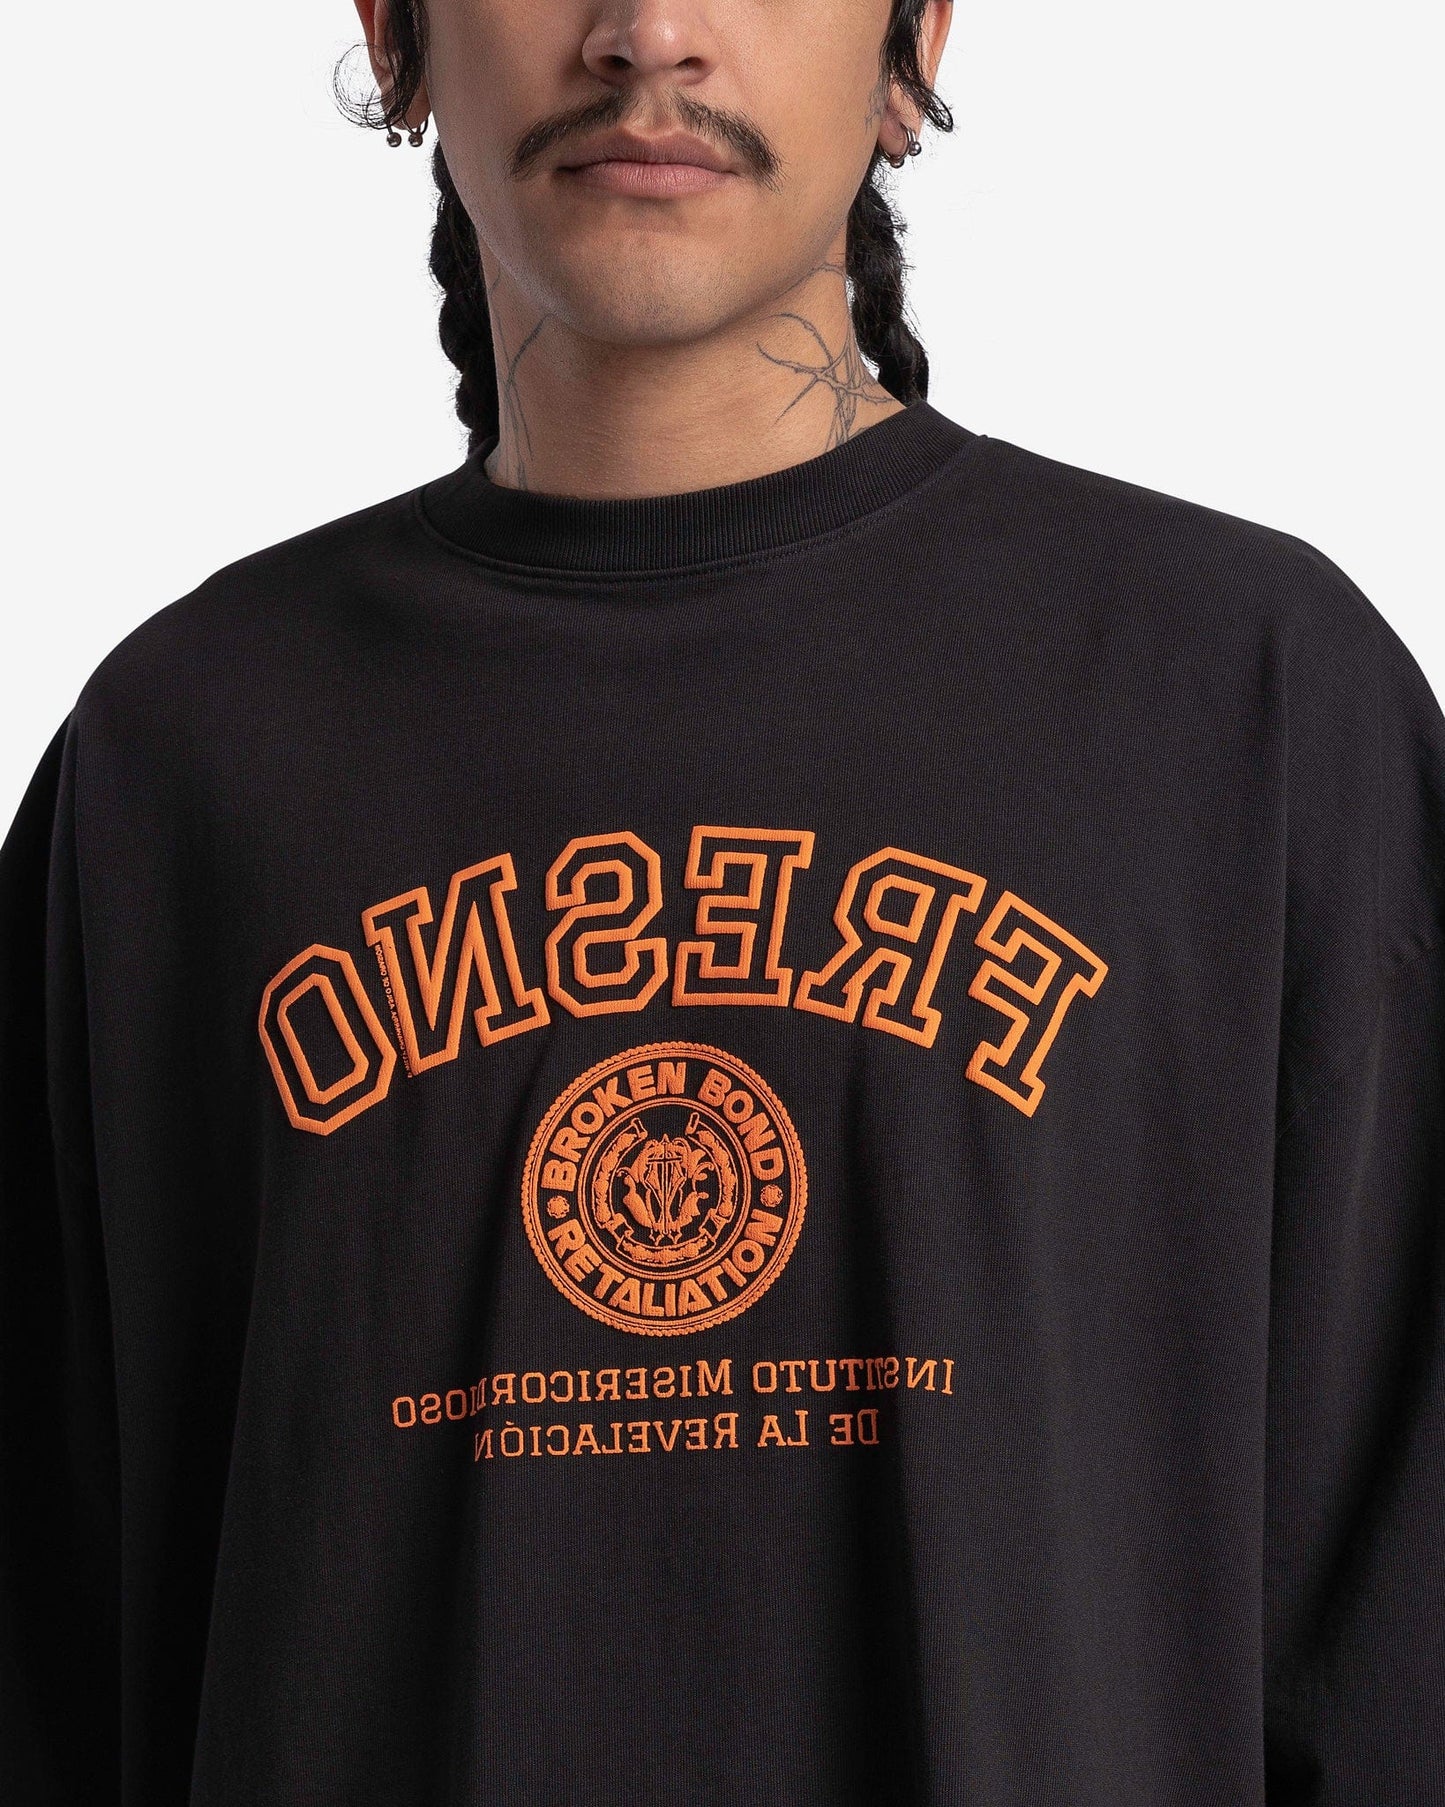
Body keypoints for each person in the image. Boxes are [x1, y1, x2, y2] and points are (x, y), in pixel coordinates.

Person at [2, 0, 1440, 1800]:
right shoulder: (181, 755)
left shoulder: (1242, 698)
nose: (648, 33)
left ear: (913, 46)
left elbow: (1401, 1641)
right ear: (396, 37)